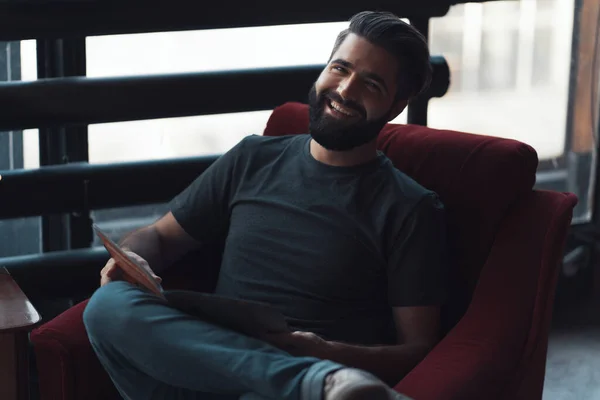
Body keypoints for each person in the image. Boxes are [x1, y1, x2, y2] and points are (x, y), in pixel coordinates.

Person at [83, 10, 448, 400]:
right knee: (106, 306)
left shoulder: (410, 208)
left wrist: (326, 352)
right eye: (340, 68)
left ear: (395, 106)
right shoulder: (252, 157)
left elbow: (417, 351)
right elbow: (159, 236)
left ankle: (312, 381)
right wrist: (131, 258)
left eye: (371, 85)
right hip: (200, 370)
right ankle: (312, 380)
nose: (344, 90)